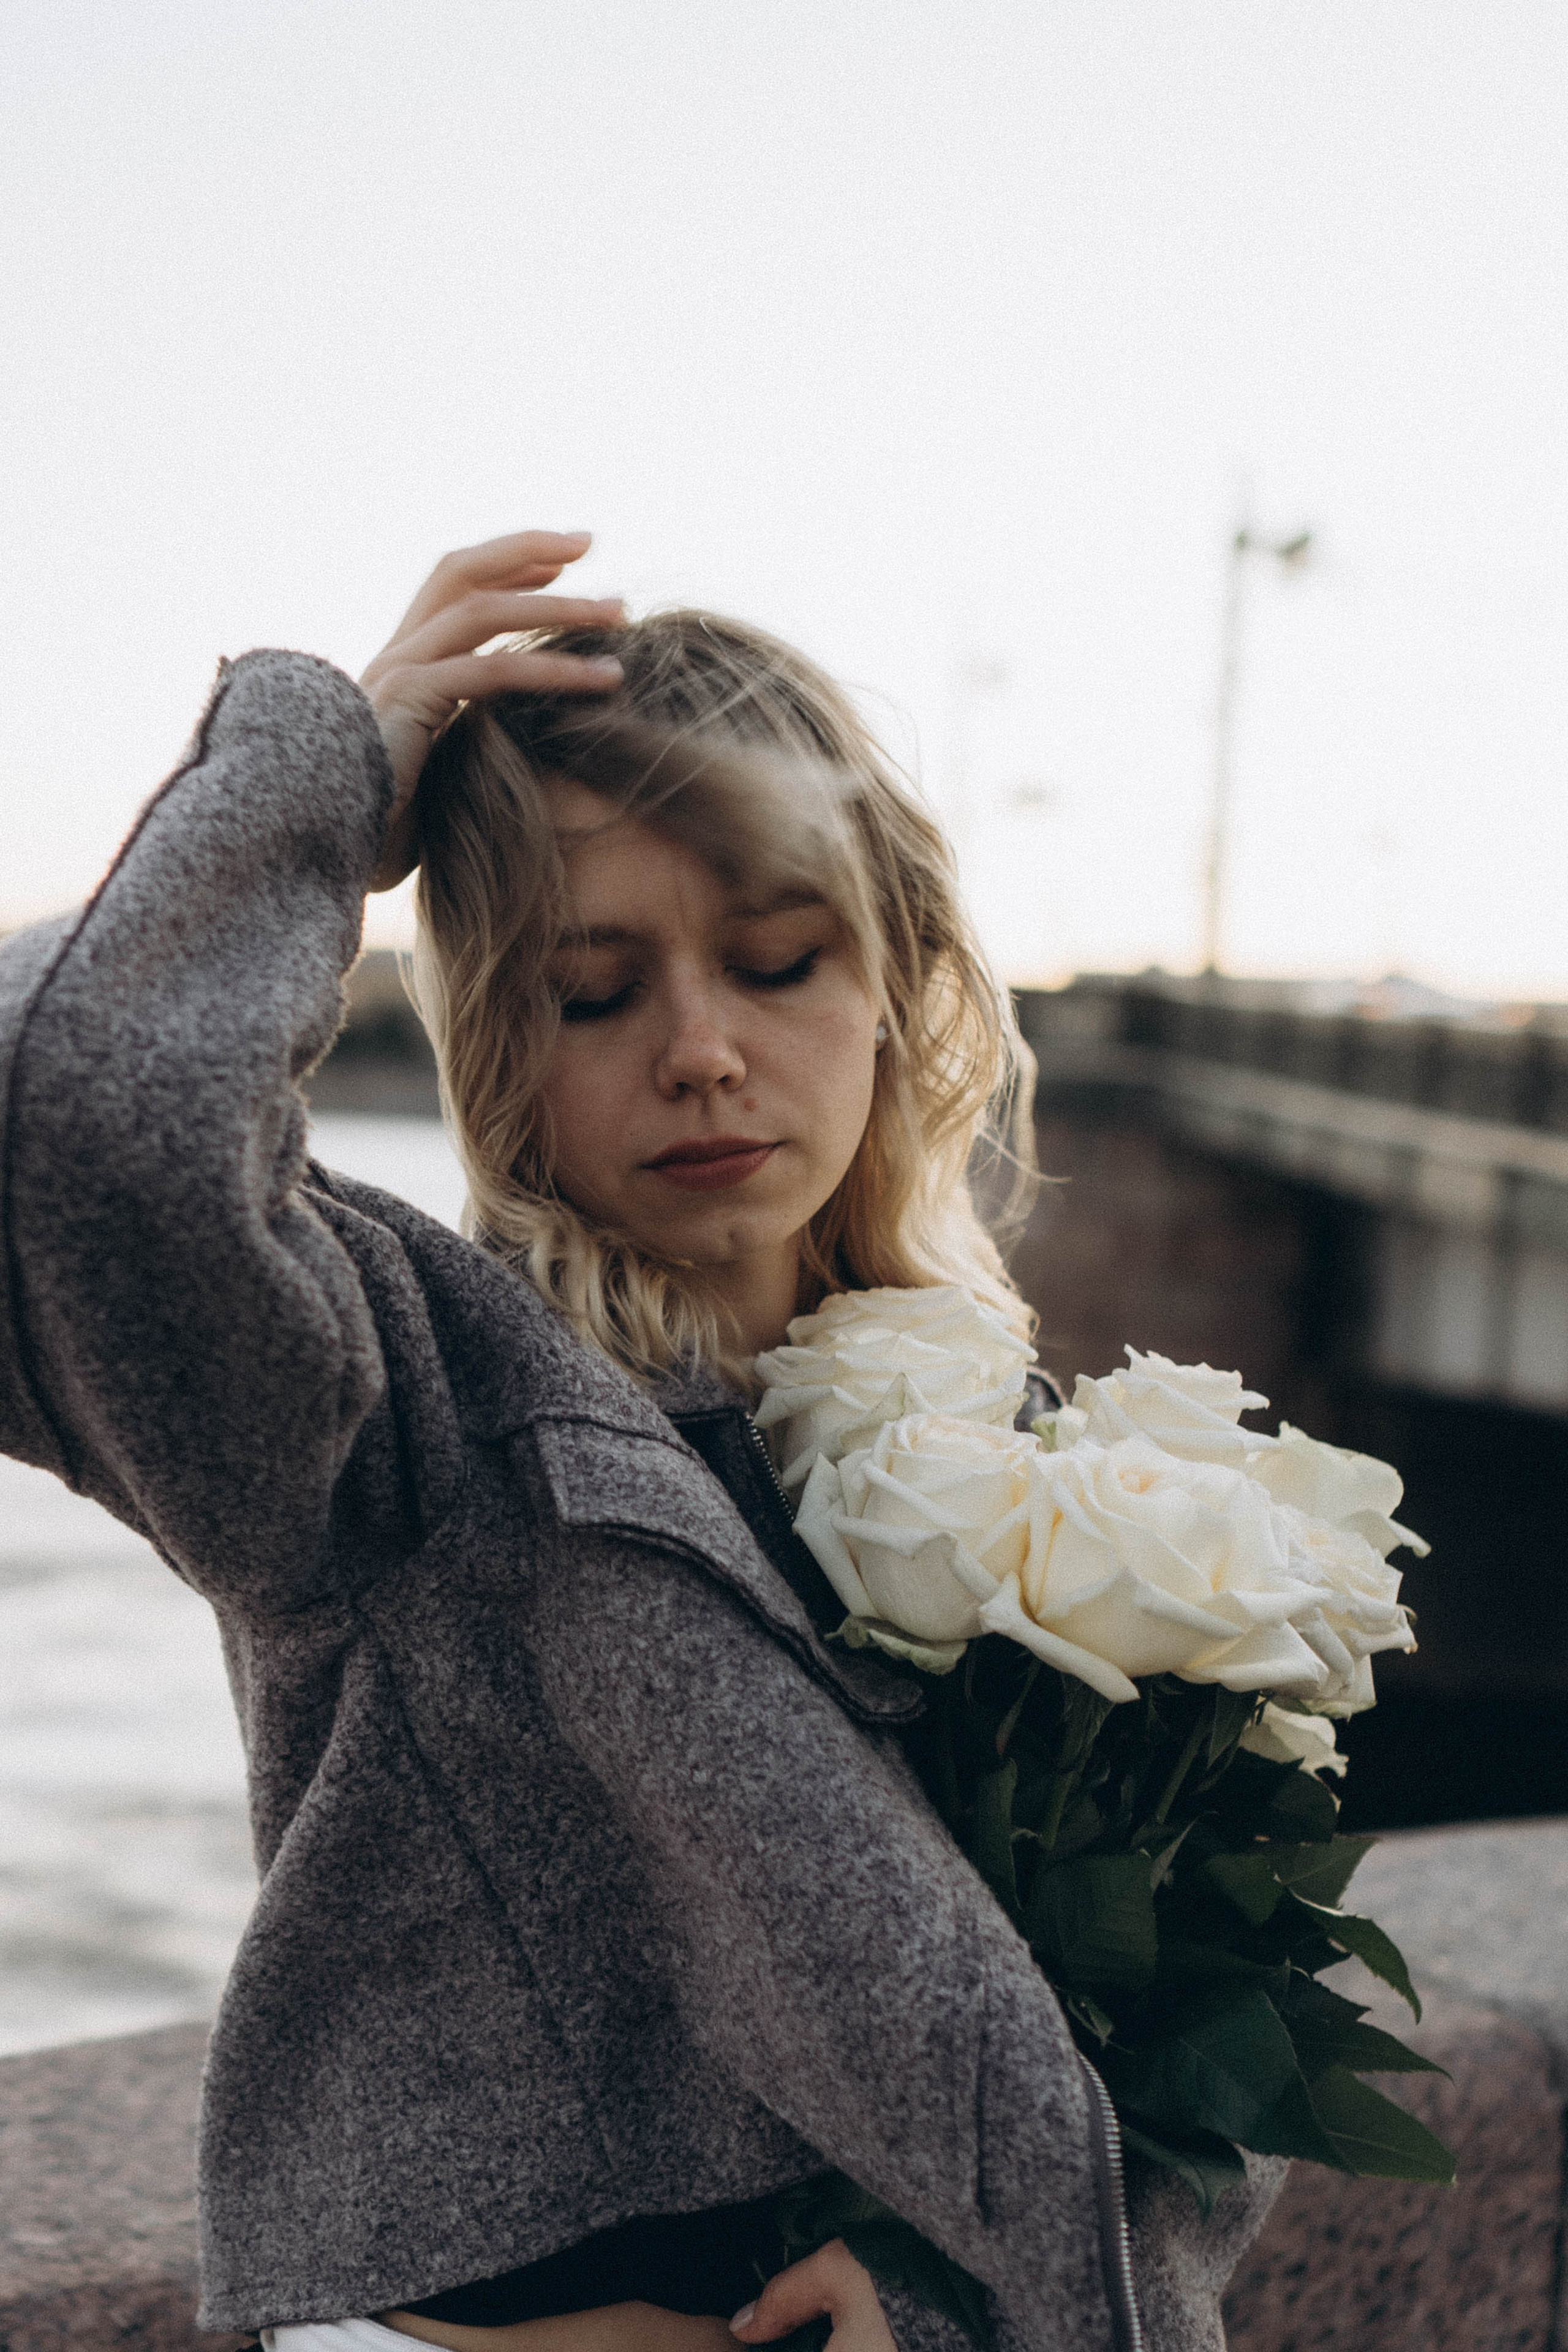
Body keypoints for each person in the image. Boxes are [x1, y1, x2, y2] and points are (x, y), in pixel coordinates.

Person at [0, 531, 1281, 2352]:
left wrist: (937, 2299)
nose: (699, 1049)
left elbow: (1224, 2008)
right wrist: (322, 776)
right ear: (495, 1037)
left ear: (901, 976)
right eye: (594, 994)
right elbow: (77, 1137)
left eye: (775, 961)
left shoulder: (1033, 1454)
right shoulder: (400, 1398)